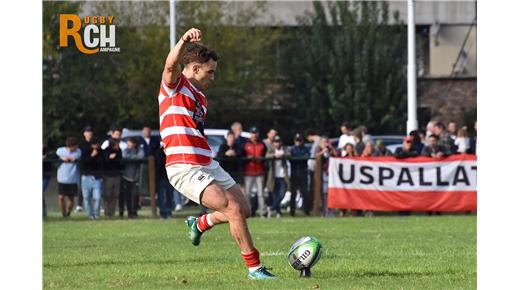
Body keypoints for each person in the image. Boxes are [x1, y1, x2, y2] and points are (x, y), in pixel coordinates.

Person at [157, 28, 275, 279]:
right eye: (210, 71)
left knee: (244, 209)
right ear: (195, 69)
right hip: (184, 167)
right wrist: (183, 40)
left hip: (207, 163)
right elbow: (170, 65)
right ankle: (255, 269)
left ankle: (200, 223)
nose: (213, 77)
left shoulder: (201, 97)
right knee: (232, 210)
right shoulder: (175, 86)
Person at [243, 127, 268, 218]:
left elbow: (265, 156)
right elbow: (242, 156)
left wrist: (261, 159)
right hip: (248, 172)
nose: (254, 135)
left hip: (259, 171)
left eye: (255, 133)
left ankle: (263, 213)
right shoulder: (245, 144)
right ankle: (247, 212)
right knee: (247, 193)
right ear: (250, 134)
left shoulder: (262, 144)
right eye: (252, 133)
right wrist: (247, 158)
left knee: (261, 194)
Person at [56, 137, 82, 217]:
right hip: (62, 178)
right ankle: (63, 213)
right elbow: (55, 156)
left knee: (71, 198)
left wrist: (72, 159)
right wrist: (61, 158)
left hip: (73, 178)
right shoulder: (60, 151)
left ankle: (68, 213)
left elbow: (77, 157)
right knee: (61, 197)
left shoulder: (78, 152)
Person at [266, 135, 290, 218]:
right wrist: (274, 155)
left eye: (279, 141)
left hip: (283, 176)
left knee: (282, 194)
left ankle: (272, 208)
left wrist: (282, 155)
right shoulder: (271, 149)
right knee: (275, 195)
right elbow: (267, 155)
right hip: (273, 177)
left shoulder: (285, 149)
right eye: (276, 142)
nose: (277, 143)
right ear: (273, 143)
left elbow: (289, 154)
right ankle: (277, 211)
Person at [79, 136, 104, 220]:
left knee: (97, 197)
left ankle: (96, 214)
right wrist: (92, 156)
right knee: (86, 198)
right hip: (86, 177)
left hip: (96, 177)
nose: (95, 147)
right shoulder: (85, 151)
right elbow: (83, 163)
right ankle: (90, 215)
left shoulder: (101, 152)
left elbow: (101, 163)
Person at [120, 137, 145, 219]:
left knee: (135, 195)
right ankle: (129, 212)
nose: (128, 144)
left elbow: (141, 156)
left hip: (136, 177)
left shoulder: (139, 149)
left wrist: (130, 157)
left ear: (134, 144)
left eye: (130, 143)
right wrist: (134, 157)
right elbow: (124, 156)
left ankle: (134, 212)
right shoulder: (125, 150)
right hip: (126, 176)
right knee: (128, 195)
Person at [289, 133, 311, 216]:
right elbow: (291, 159)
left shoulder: (305, 149)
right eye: (296, 140)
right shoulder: (292, 149)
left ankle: (307, 210)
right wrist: (298, 158)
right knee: (293, 193)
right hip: (294, 173)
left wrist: (297, 158)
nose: (298, 142)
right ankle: (292, 211)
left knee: (305, 192)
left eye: (299, 140)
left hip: (303, 172)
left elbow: (306, 157)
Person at [102, 139, 123, 218]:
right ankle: (107, 212)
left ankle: (112, 212)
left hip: (117, 175)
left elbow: (121, 161)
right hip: (108, 176)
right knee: (108, 194)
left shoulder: (119, 151)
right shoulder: (106, 151)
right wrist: (109, 157)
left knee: (115, 194)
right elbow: (105, 161)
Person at [42, 146, 54, 217]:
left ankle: (43, 210)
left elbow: (52, 156)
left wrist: (45, 157)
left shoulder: (47, 150)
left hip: (45, 175)